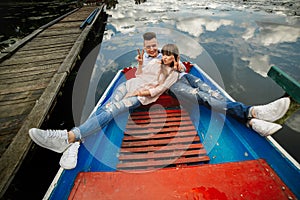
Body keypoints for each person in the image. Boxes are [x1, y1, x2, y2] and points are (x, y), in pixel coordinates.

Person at [29, 44, 181, 169]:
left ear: (175, 57)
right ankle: (76, 142)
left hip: (140, 96)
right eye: (164, 54)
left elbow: (158, 90)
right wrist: (141, 63)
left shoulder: (173, 73)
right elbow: (139, 75)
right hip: (129, 85)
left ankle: (69, 137)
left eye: (169, 55)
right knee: (108, 106)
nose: (165, 57)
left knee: (112, 109)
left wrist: (139, 92)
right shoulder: (155, 62)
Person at [138, 32, 290, 137]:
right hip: (172, 87)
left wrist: (179, 66)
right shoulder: (145, 62)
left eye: (153, 45)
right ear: (144, 47)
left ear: (156, 43)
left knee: (213, 93)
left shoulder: (163, 52)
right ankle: (252, 112)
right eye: (148, 47)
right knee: (203, 97)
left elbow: (181, 66)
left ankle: (250, 122)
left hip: (185, 76)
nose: (152, 49)